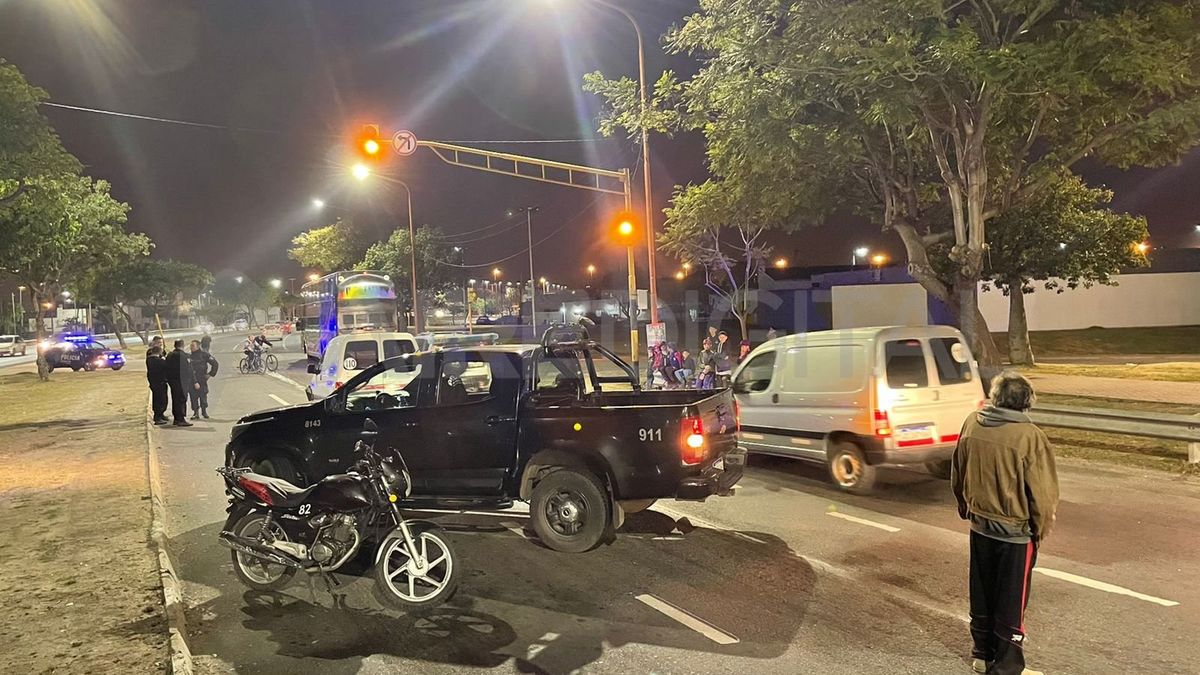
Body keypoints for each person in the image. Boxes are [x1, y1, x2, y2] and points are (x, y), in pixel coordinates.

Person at [951, 372, 1059, 675]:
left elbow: (957, 470)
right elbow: (1044, 494)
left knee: (982, 591)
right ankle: (1007, 667)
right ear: (1026, 402)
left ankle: (981, 655)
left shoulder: (972, 423)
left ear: (995, 398)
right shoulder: (1030, 437)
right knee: (1012, 600)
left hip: (980, 525)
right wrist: (1039, 531)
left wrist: (965, 506)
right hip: (1015, 532)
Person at [164, 339, 193, 427]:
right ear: (182, 345)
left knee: (175, 400)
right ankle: (181, 419)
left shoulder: (170, 355)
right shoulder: (182, 356)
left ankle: (176, 419)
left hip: (172, 381)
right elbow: (186, 369)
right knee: (181, 400)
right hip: (181, 381)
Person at [187, 339, 219, 420]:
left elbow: (215, 364)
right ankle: (195, 413)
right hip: (192, 380)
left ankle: (204, 412)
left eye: (193, 346)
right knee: (193, 397)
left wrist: (210, 374)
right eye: (190, 346)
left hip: (202, 379)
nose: (191, 347)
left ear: (198, 346)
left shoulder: (205, 355)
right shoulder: (189, 356)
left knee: (203, 396)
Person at [146, 345, 169, 425]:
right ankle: (157, 417)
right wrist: (163, 358)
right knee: (160, 400)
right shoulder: (158, 361)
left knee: (159, 399)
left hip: (154, 382)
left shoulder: (149, 359)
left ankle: (160, 414)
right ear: (159, 352)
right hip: (159, 383)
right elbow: (166, 365)